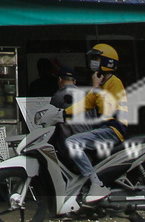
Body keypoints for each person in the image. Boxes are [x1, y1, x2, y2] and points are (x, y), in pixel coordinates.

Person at [51, 68, 123, 202]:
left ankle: (96, 184)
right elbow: (90, 111)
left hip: (107, 132)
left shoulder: (114, 83)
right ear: (75, 81)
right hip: (94, 138)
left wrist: (95, 86)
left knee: (69, 144)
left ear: (60, 81)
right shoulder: (86, 94)